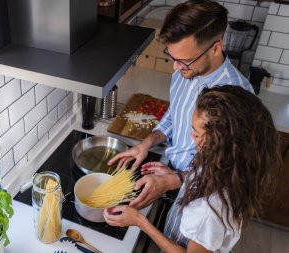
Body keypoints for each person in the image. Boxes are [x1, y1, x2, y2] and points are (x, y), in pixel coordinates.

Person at [108, 0, 254, 209]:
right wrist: (146, 143)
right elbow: (174, 114)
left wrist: (175, 180)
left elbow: (228, 173)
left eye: (184, 60)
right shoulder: (184, 70)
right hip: (169, 170)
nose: (176, 67)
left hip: (200, 195)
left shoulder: (238, 97)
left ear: (216, 48)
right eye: (172, 57)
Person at [104, 85, 282, 253]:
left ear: (221, 143)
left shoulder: (210, 210)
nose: (191, 136)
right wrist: (178, 177)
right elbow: (203, 175)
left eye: (196, 133)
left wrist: (140, 222)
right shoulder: (230, 164)